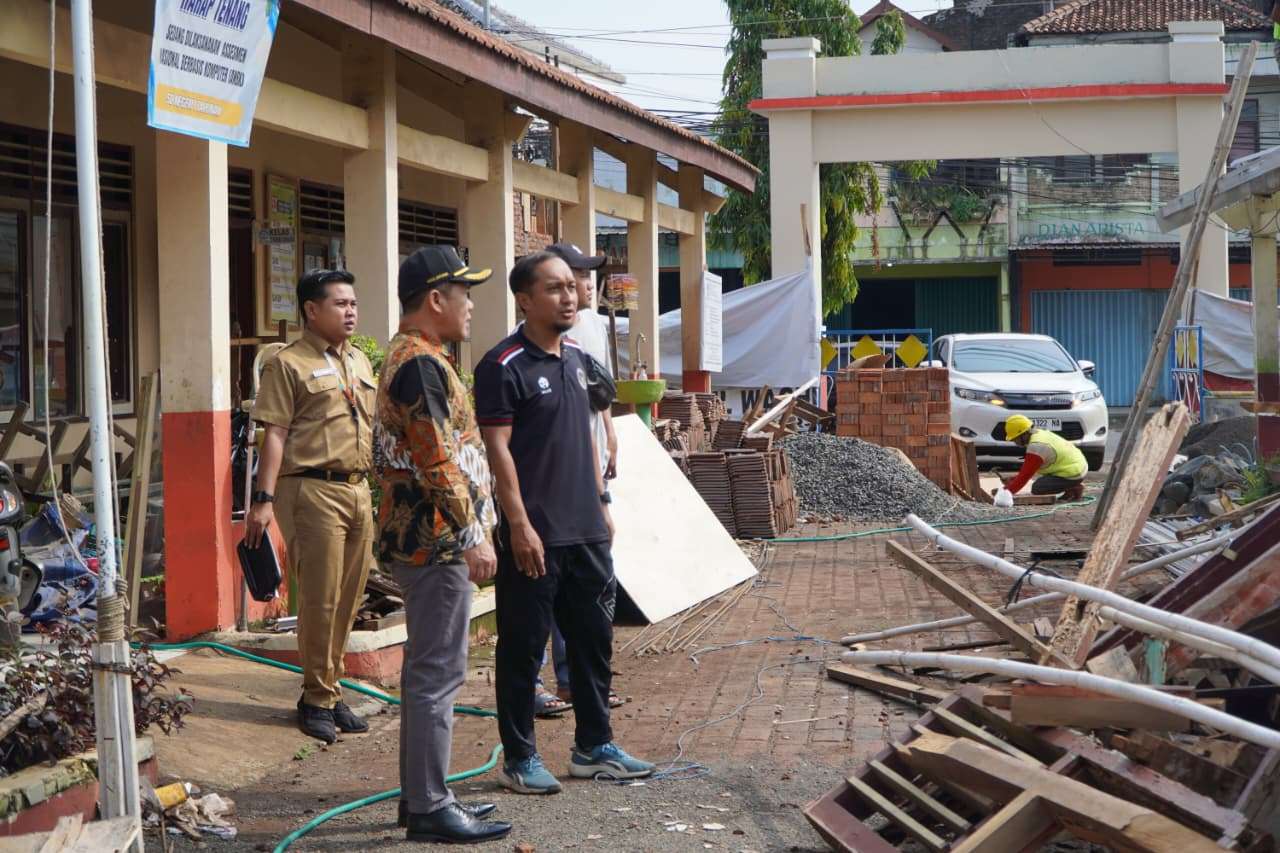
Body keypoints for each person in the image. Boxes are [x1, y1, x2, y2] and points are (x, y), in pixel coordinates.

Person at [475, 251, 654, 794]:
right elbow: (497, 452)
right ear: (525, 300)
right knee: (523, 648)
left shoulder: (577, 359)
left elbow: (594, 437)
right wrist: (520, 526)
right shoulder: (502, 366)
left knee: (593, 643)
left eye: (572, 287)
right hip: (537, 536)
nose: (570, 296)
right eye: (554, 288)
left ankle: (593, 746)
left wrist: (601, 502)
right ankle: (519, 758)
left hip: (587, 532)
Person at [374, 245, 512, 844]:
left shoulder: (417, 357)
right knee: (438, 672)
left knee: (428, 672)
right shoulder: (421, 365)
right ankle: (429, 804)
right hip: (433, 542)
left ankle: (422, 796)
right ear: (436, 299)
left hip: (422, 539)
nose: (472, 305)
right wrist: (473, 533)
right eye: (464, 294)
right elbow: (436, 462)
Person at [247, 269, 376, 743]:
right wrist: (262, 500)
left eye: (353, 303)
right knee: (320, 598)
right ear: (311, 310)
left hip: (358, 488)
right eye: (340, 304)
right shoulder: (289, 364)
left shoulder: (359, 361)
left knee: (348, 597)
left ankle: (331, 688)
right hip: (311, 489)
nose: (350, 312)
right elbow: (274, 434)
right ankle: (316, 696)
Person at [531, 242, 623, 719]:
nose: (585, 287)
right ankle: (532, 683)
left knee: (583, 585)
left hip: (584, 473)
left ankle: (575, 682)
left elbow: (593, 398)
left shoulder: (584, 327)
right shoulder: (526, 350)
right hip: (549, 487)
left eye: (583, 279)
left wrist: (607, 432)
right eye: (573, 278)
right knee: (541, 590)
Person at [999, 414, 1087, 502]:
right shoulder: (1040, 433)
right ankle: (1072, 486)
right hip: (1078, 466)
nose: (1014, 442)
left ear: (1024, 434)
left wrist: (1004, 493)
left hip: (1073, 472)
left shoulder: (1037, 446)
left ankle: (1073, 487)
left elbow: (1025, 477)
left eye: (1015, 438)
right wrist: (1013, 480)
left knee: (1038, 488)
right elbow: (1028, 471)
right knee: (1044, 481)